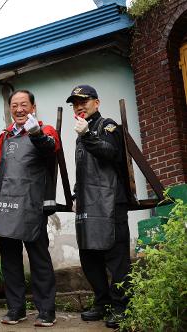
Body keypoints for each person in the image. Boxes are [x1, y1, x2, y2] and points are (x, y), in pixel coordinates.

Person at [0, 89, 59, 327]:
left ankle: (46, 310)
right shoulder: (5, 136)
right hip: (7, 204)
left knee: (39, 258)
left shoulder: (45, 130)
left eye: (24, 104)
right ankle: (16, 308)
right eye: (14, 105)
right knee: (10, 260)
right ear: (10, 109)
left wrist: (35, 132)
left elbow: (50, 149)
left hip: (32, 204)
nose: (19, 109)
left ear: (33, 106)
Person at [67, 85, 130, 329]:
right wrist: (75, 195)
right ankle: (102, 302)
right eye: (75, 103)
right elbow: (83, 170)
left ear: (97, 102)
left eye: (84, 101)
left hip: (111, 201)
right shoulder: (80, 134)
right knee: (89, 256)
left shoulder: (108, 125)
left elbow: (111, 153)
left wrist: (87, 136)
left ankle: (121, 306)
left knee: (116, 257)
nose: (79, 106)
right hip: (87, 202)